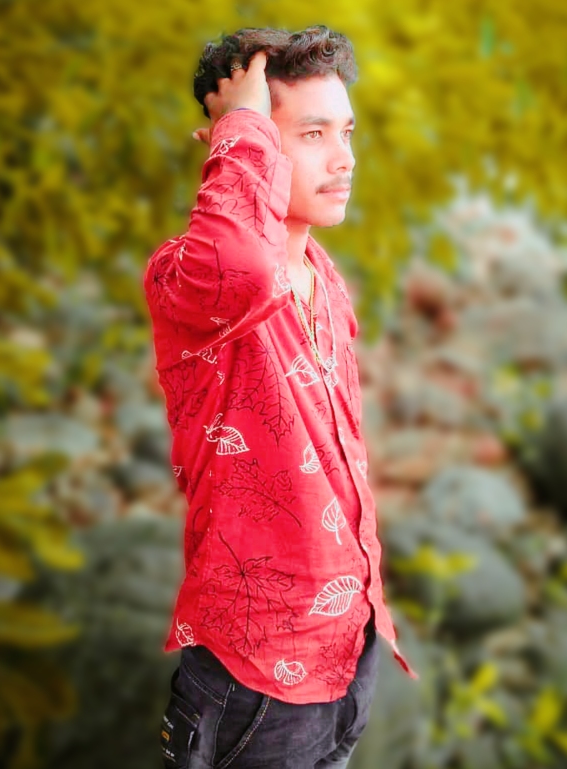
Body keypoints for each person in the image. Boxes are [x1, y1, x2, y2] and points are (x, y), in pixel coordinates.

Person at [143, 24, 419, 769]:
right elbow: (243, 264)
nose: (344, 158)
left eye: (345, 132)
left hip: (347, 652)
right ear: (243, 146)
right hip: (255, 684)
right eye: (312, 134)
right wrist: (242, 123)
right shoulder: (189, 280)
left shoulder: (322, 272)